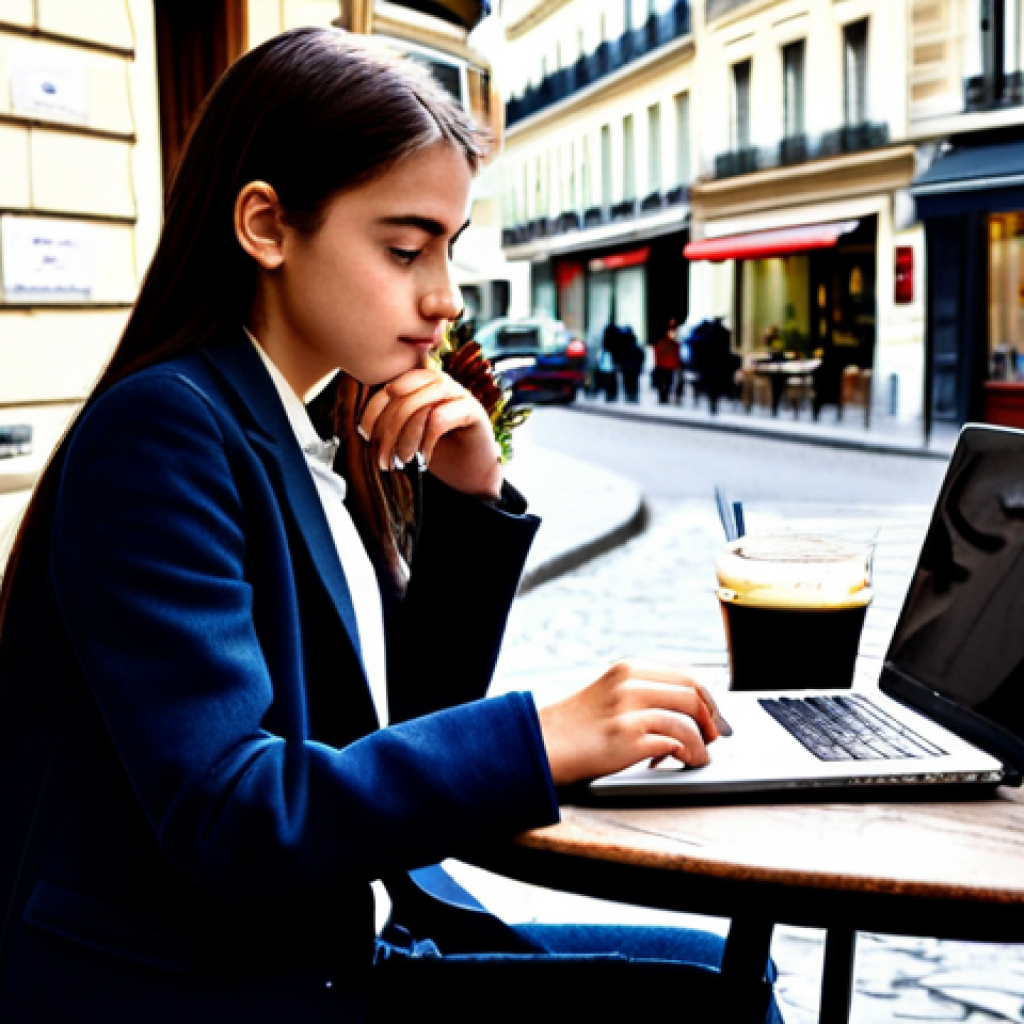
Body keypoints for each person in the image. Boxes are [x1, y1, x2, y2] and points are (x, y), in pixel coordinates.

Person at [0, 29, 782, 1024]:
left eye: (447, 248)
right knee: (715, 998)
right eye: (405, 248)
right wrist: (543, 737)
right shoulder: (164, 432)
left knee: (724, 976)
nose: (445, 299)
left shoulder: (311, 428)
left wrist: (469, 496)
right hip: (207, 983)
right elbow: (230, 813)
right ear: (266, 225)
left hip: (331, 940)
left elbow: (393, 725)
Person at [651, 319, 681, 405]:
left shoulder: (666, 342)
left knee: (666, 382)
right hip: (667, 365)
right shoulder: (672, 343)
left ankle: (663, 397)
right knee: (666, 381)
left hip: (665, 365)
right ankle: (664, 396)